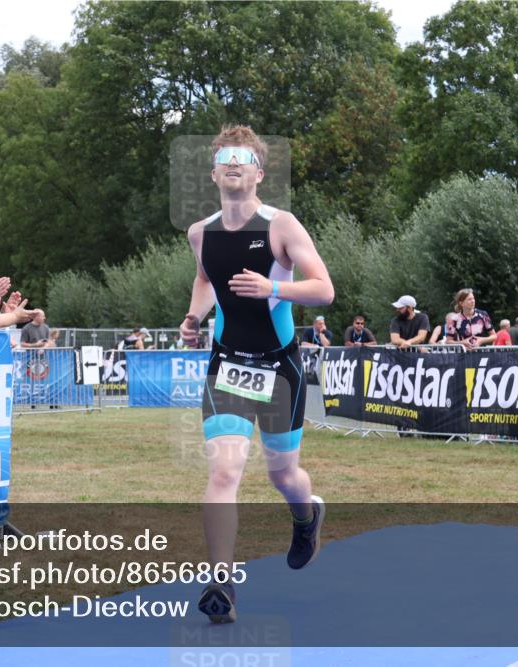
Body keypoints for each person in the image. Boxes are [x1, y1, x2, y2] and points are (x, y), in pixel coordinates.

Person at [178, 125, 333, 624]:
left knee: (282, 474)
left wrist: (273, 287)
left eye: (243, 157)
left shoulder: (281, 225)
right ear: (213, 171)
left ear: (259, 172)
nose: (233, 163)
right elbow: (205, 279)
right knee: (224, 471)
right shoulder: (199, 233)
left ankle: (306, 513)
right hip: (227, 363)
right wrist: (193, 316)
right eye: (224, 157)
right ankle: (220, 583)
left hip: (278, 365)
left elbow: (324, 289)